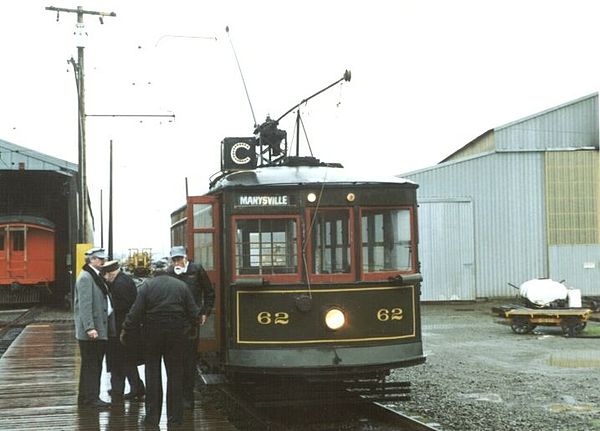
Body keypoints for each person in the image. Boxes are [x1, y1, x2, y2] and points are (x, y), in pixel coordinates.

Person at [121, 271, 200, 426]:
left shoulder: (147, 286)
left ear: (154, 274)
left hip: (152, 333)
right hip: (176, 334)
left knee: (152, 374)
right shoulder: (181, 286)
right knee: (176, 375)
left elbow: (136, 311)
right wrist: (191, 328)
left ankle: (152, 418)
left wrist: (126, 328)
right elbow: (193, 312)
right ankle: (175, 418)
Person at [166, 245, 215, 409]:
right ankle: (176, 398)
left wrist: (205, 313)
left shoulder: (197, 270)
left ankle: (188, 398)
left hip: (191, 323)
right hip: (173, 323)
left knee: (189, 360)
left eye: (179, 258)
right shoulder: (169, 273)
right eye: (174, 259)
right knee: (174, 361)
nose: (177, 262)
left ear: (186, 257)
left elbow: (209, 293)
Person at [101, 260, 145, 403]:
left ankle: (132, 389)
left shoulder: (119, 285)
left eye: (105, 275)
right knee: (125, 360)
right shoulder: (124, 280)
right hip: (125, 328)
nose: (105, 278)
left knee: (122, 360)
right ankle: (129, 388)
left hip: (121, 328)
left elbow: (123, 306)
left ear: (111, 273)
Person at [73, 246, 111, 409]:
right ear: (92, 260)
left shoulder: (93, 276)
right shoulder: (86, 278)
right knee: (92, 365)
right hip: (92, 331)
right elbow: (85, 305)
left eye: (103, 259)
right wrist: (90, 327)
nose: (103, 262)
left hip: (97, 329)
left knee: (91, 364)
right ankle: (91, 398)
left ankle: (86, 397)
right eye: (100, 259)